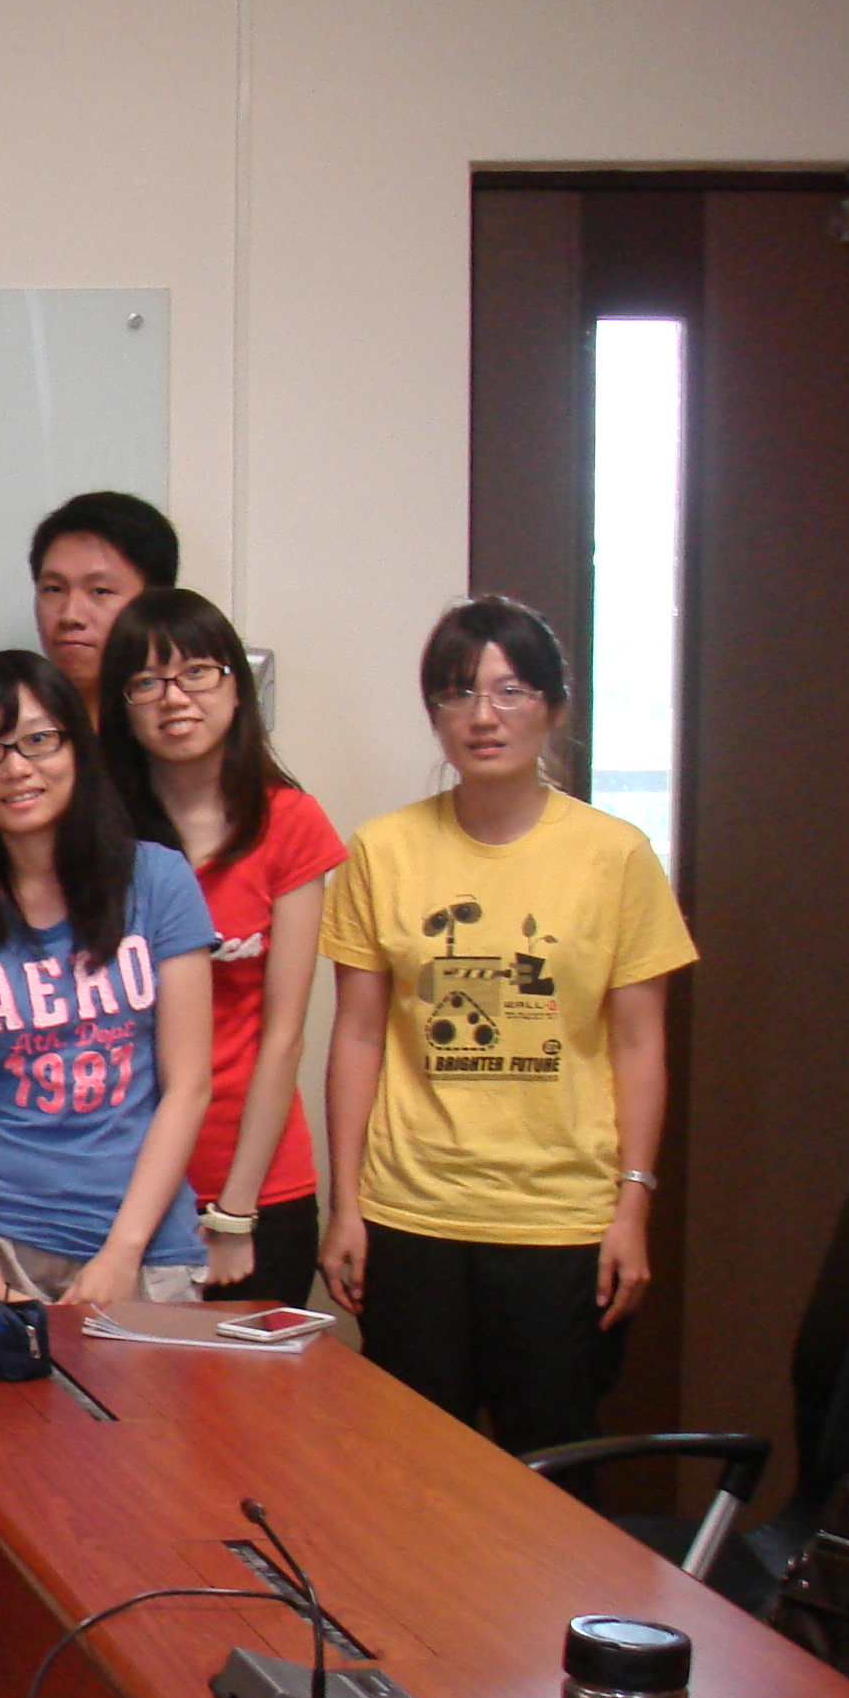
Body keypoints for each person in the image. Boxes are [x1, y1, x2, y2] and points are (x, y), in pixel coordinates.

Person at [318, 597, 694, 1449]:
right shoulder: (383, 850)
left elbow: (640, 1044)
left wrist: (632, 1208)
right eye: (458, 693)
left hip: (563, 1222)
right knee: (410, 1478)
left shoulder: (616, 854)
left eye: (511, 690)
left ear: (554, 707)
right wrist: (348, 1206)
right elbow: (357, 1036)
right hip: (413, 1218)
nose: (483, 716)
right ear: (435, 714)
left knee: (550, 1483)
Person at [0, 651, 216, 1318]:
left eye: (39, 740)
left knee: (145, 1427)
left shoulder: (159, 882)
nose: (16, 768)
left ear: (78, 747)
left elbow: (188, 1085)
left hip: (142, 1244)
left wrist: (122, 1252)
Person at [100, 589, 342, 1305]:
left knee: (247, 1411)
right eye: (146, 681)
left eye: (197, 672)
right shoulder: (100, 835)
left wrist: (236, 1210)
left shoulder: (289, 822)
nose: (174, 698)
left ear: (238, 685)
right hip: (121, 1181)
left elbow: (285, 1035)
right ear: (121, 706)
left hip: (258, 1180)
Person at [28, 488, 180, 710]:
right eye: (54, 589)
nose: (70, 615)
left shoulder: (188, 731)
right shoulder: (11, 733)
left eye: (100, 591)